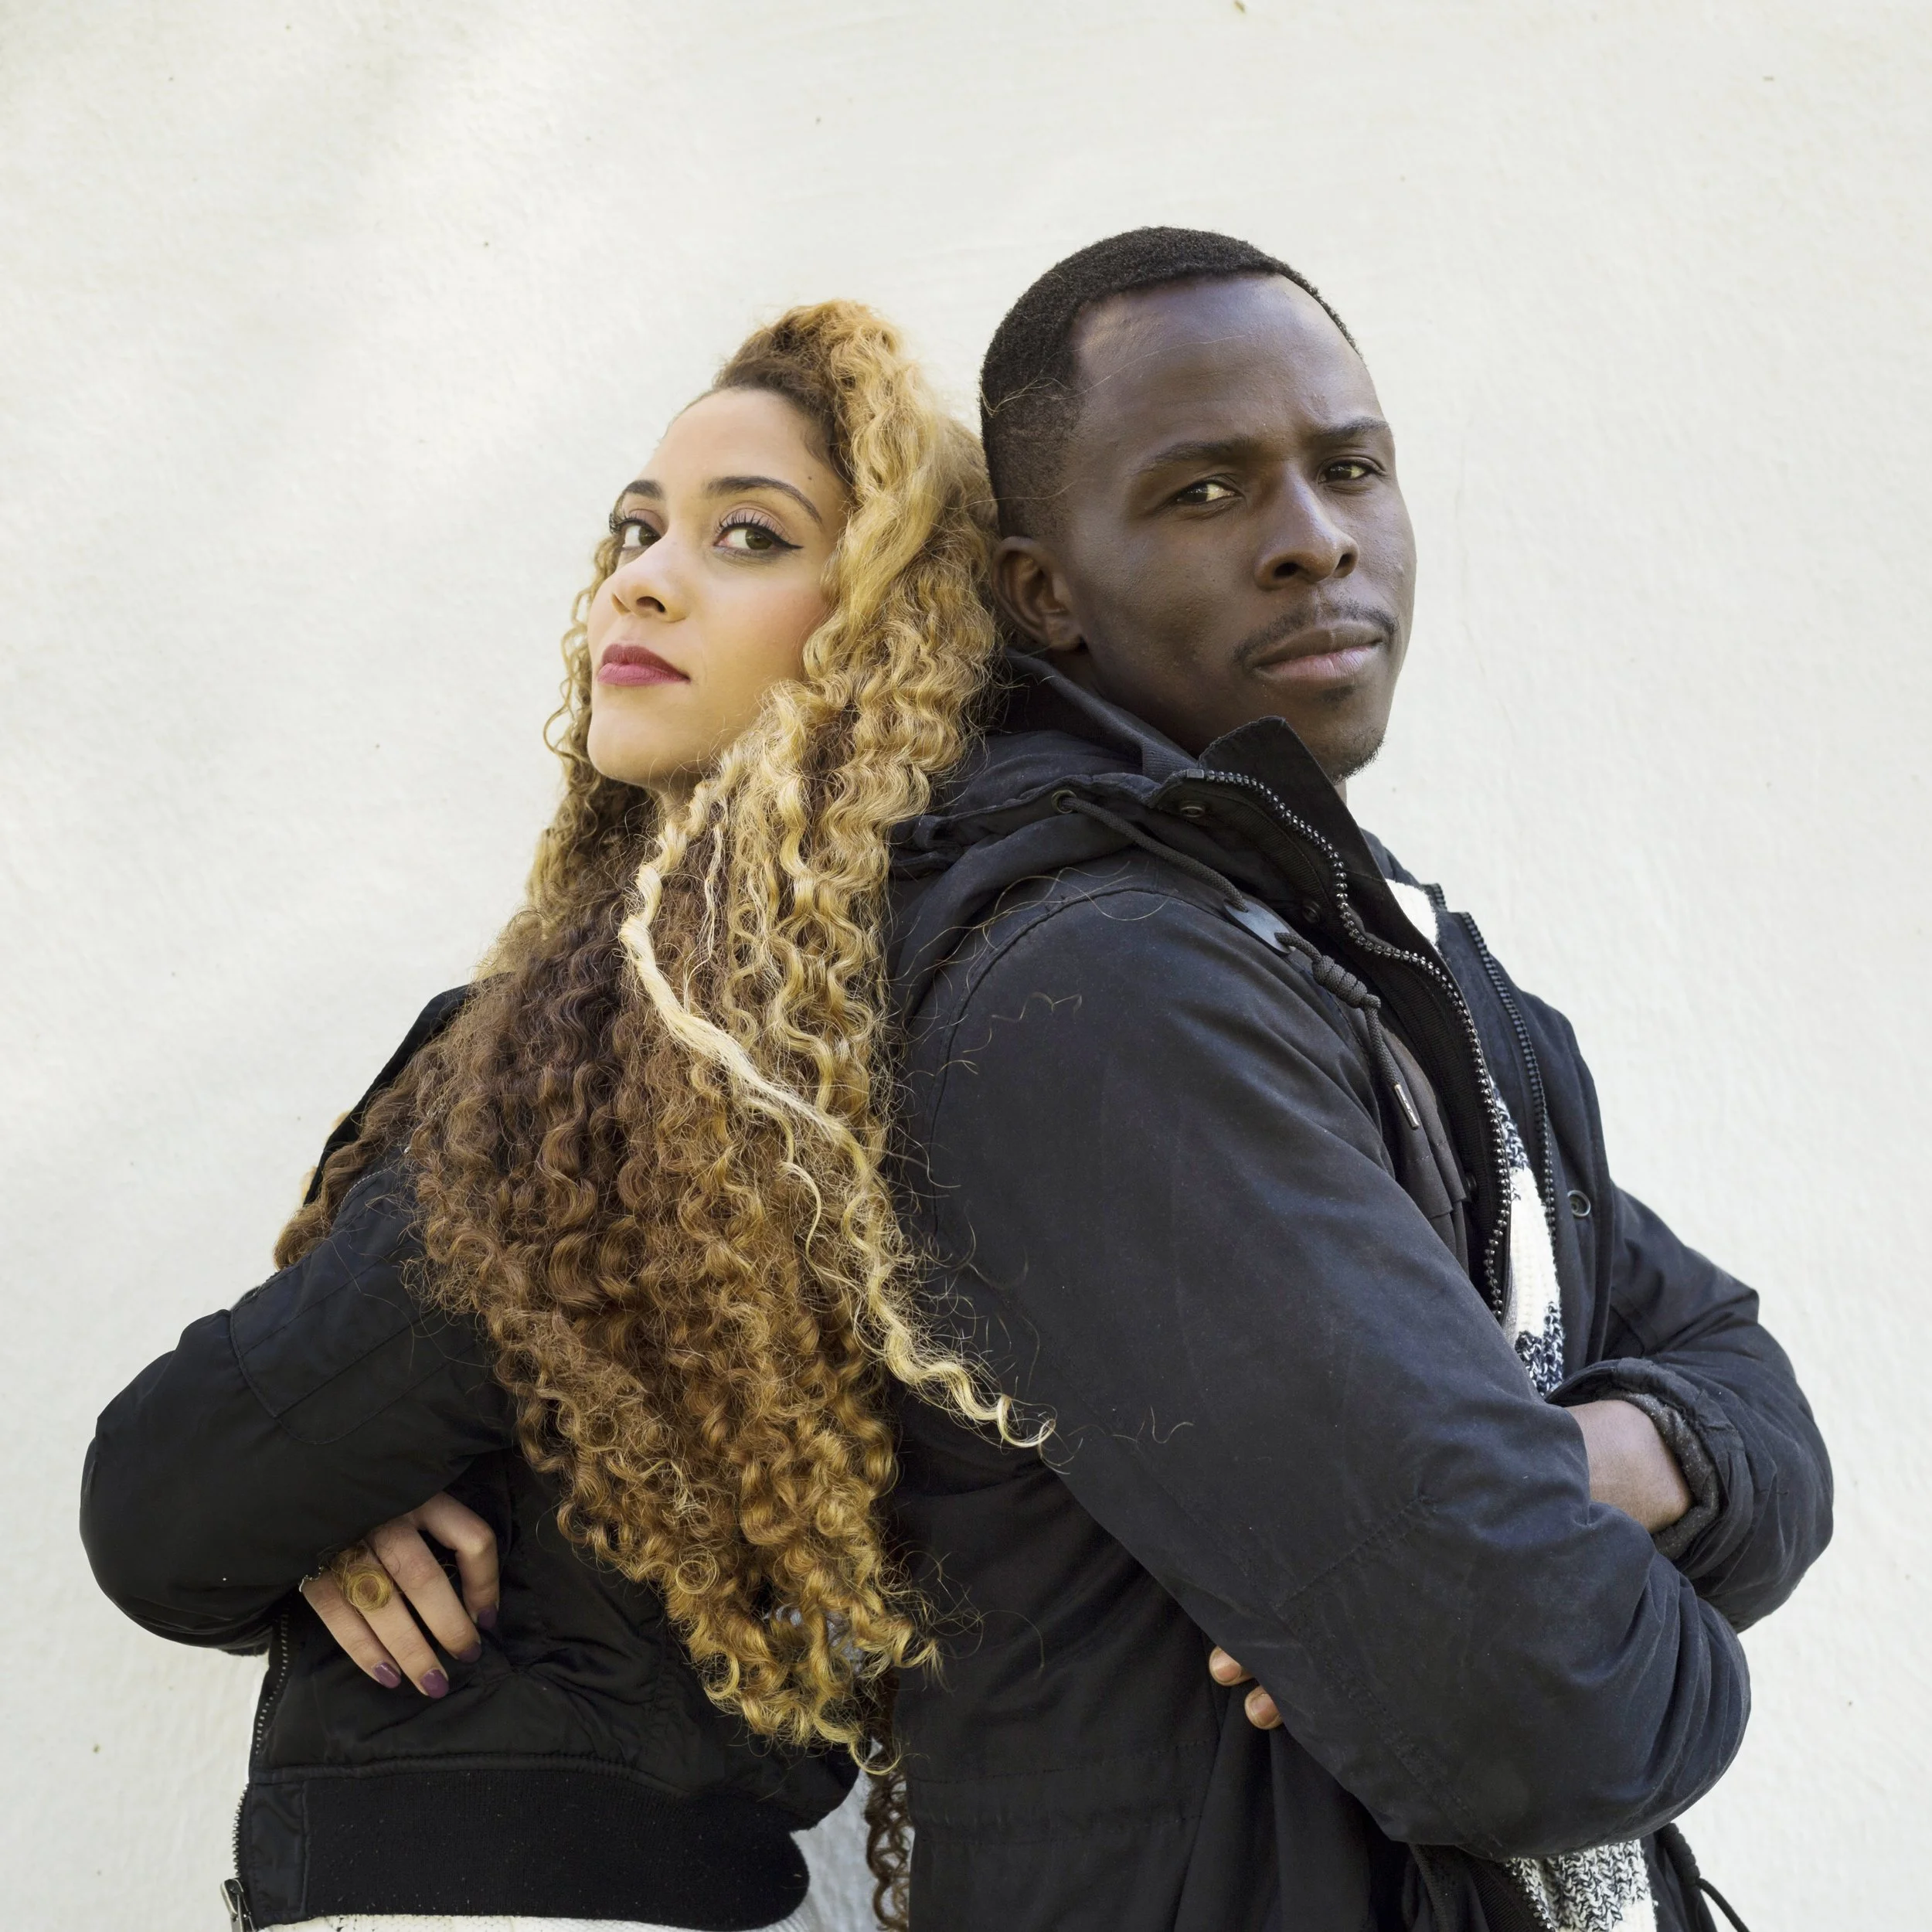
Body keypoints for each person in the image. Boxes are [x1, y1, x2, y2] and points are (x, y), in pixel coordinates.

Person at [878, 230, 1831, 1932]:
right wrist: (1601, 1567)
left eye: (1350, 467)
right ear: (1043, 591)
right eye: (1200, 490)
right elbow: (1540, 1697)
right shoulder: (1097, 992)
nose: (1312, 536)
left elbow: (1753, 1395)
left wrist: (1585, 1462)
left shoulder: (1393, 957)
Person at [80, 300, 1008, 1932]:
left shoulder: (662, 1047)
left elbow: (160, 1501)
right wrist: (326, 1503)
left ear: (875, 633)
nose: (641, 576)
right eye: (635, 527)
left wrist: (293, 1488)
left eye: (746, 535)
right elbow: (240, 1479)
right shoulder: (588, 1032)